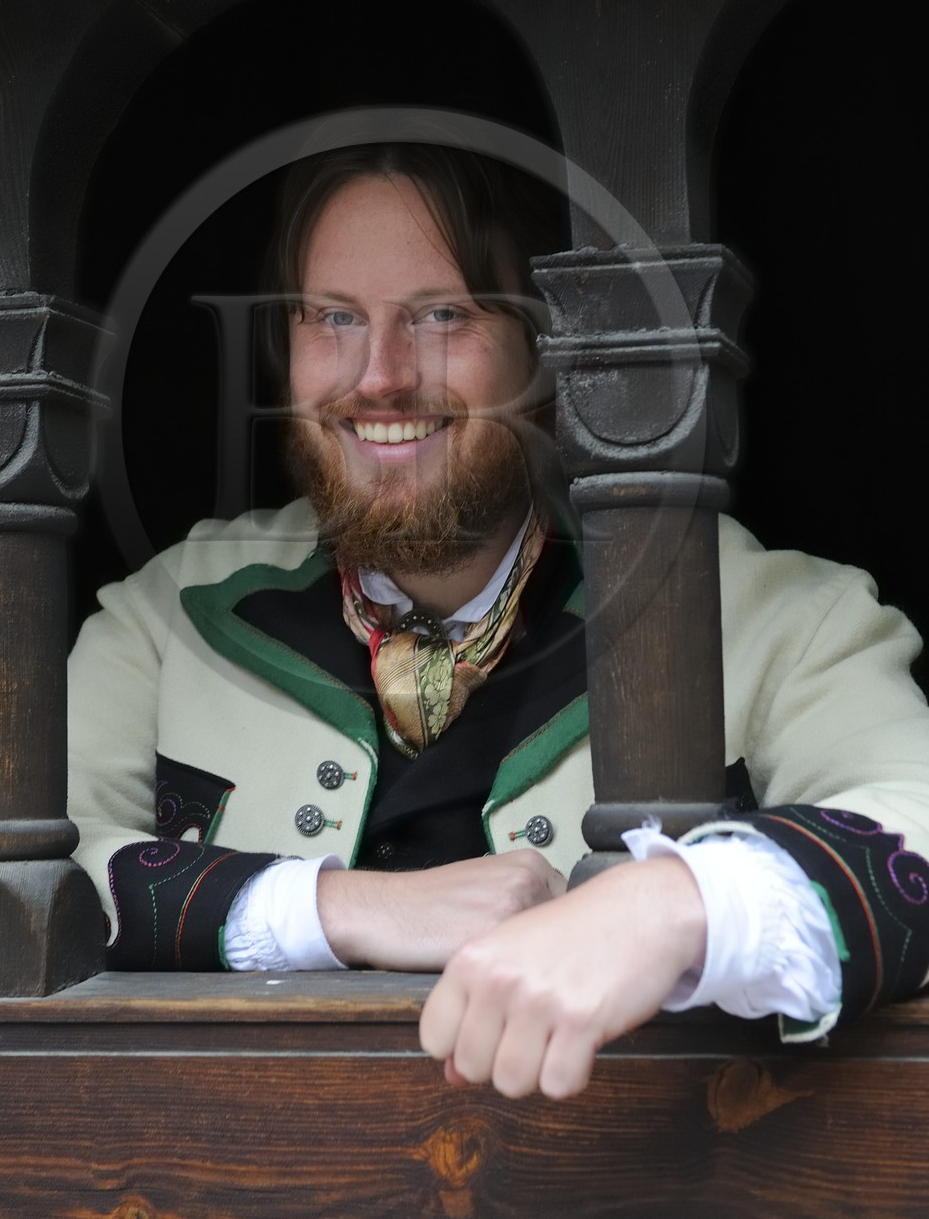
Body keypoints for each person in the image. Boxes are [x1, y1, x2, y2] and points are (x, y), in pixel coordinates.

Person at [67, 142, 929, 1100]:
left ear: (546, 354)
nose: (380, 377)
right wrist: (336, 907)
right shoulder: (166, 614)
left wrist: (676, 901)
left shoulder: (777, 616)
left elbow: (914, 820)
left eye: (445, 315)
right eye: (334, 317)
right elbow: (22, 877)